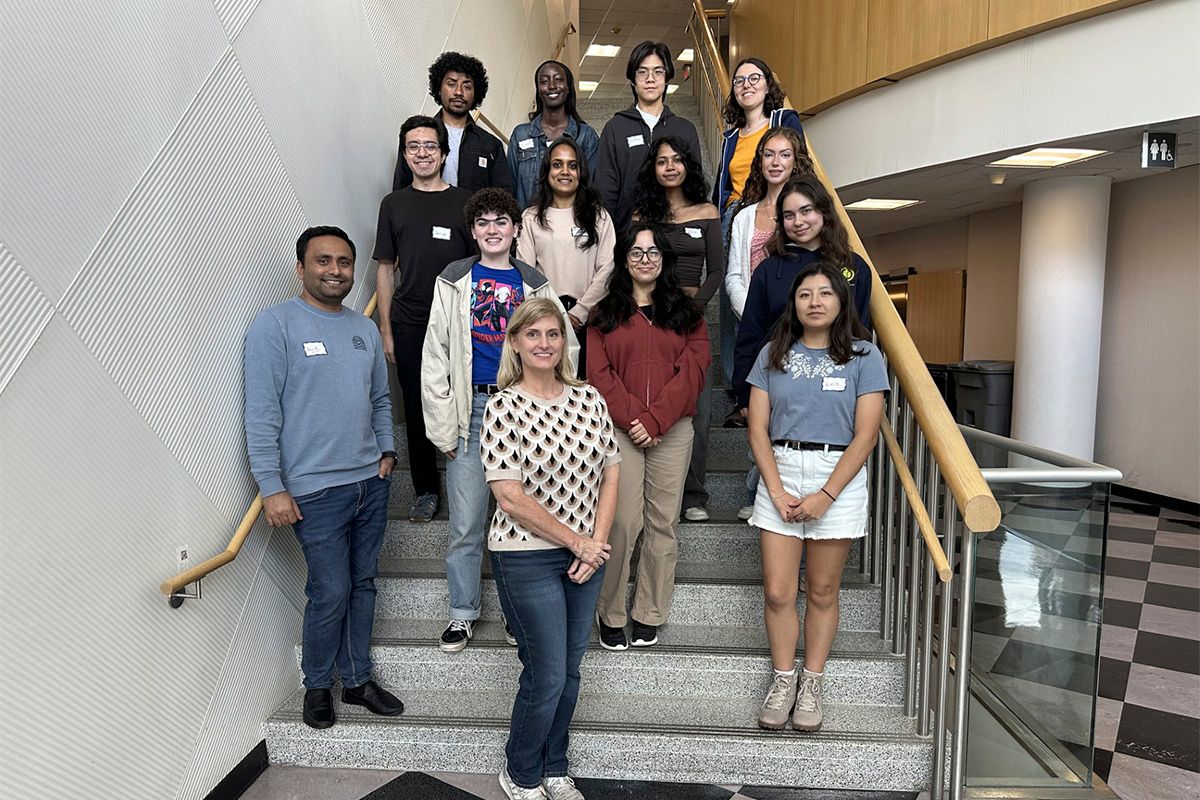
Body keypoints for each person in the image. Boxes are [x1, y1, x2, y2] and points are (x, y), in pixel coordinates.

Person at [244, 226, 404, 729]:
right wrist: (271, 486)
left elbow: (381, 399)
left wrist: (387, 451)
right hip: (314, 491)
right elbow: (262, 413)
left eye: (343, 262)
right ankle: (317, 684)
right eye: (323, 261)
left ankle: (356, 680)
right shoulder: (276, 327)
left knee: (362, 584)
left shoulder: (362, 330)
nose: (334, 270)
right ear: (301, 268)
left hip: (369, 483)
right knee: (330, 590)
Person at [422, 188, 579, 654]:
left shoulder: (535, 283)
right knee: (467, 523)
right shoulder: (453, 279)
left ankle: (519, 615)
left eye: (501, 221)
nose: (493, 229)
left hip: (524, 412)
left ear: (515, 228)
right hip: (471, 413)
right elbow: (435, 355)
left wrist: (559, 407)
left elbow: (564, 346)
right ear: (474, 231)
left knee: (525, 522)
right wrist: (442, 427)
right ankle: (461, 614)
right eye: (483, 222)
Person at [482, 298, 620, 800]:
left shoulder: (589, 399)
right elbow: (509, 496)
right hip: (524, 556)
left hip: (586, 555)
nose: (544, 344)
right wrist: (577, 542)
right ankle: (520, 772)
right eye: (533, 334)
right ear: (516, 342)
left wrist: (595, 545)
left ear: (565, 341)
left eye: (553, 334)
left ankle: (555, 766)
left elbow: (611, 472)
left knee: (570, 671)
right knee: (547, 673)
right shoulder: (502, 406)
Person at [746, 263, 887, 732]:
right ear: (795, 304)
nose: (815, 301)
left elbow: (866, 436)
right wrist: (776, 487)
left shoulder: (865, 356)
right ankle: (783, 680)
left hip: (838, 474)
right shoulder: (772, 353)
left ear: (841, 301)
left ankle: (812, 683)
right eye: (805, 294)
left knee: (823, 591)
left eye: (826, 293)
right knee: (778, 590)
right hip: (780, 470)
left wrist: (826, 494)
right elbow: (757, 429)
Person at [587, 223, 710, 651]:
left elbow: (693, 371)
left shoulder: (688, 315)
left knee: (662, 523)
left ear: (664, 260)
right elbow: (598, 376)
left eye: (653, 252)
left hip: (672, 431)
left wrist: (656, 419)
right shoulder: (603, 315)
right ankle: (612, 612)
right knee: (621, 522)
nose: (645, 258)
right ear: (624, 259)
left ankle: (648, 612)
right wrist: (636, 418)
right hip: (619, 430)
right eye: (637, 252)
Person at [373, 115, 474, 523]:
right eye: (413, 146)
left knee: (466, 400)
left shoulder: (466, 201)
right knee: (416, 407)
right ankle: (426, 490)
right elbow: (384, 267)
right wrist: (385, 327)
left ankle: (471, 483)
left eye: (430, 145)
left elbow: (481, 260)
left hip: (461, 320)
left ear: (444, 153)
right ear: (404, 154)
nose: (422, 153)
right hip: (411, 320)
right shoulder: (393, 204)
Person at [632, 135, 722, 522]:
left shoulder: (707, 211)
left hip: (690, 319)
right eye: (662, 161)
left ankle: (694, 494)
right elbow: (633, 264)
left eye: (677, 159)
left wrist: (692, 310)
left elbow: (716, 272)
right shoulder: (642, 216)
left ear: (688, 165)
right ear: (653, 169)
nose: (670, 166)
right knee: (652, 401)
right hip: (649, 318)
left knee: (696, 411)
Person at [732, 175, 873, 418]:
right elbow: (750, 332)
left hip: (834, 390)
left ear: (823, 211)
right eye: (789, 215)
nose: (798, 222)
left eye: (806, 211)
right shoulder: (768, 269)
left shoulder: (855, 268)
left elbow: (858, 331)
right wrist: (744, 394)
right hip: (776, 385)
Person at [726, 127, 813, 518]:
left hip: (804, 331)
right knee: (757, 412)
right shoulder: (745, 216)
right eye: (768, 155)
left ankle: (781, 492)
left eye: (784, 155)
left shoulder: (806, 215)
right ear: (759, 162)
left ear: (796, 162)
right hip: (757, 326)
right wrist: (755, 313)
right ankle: (756, 492)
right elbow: (733, 276)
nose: (776, 162)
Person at [713, 59, 807, 394]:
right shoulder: (731, 137)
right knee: (731, 292)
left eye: (755, 78)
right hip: (736, 215)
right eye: (739, 80)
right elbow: (723, 186)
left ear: (768, 85)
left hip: (778, 207)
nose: (746, 85)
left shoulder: (783, 120)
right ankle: (736, 383)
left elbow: (801, 167)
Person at [516, 135, 615, 376]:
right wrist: (552, 318)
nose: (565, 171)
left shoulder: (599, 216)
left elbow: (608, 269)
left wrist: (578, 314)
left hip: (590, 319)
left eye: (572, 165)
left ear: (581, 172)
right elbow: (524, 271)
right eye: (557, 164)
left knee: (584, 389)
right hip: (543, 321)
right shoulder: (530, 217)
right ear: (547, 171)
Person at [594, 41, 703, 232]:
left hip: (675, 237)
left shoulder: (685, 129)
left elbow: (694, 187)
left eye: (658, 72)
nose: (650, 79)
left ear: (667, 77)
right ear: (633, 79)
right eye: (642, 72)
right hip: (627, 237)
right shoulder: (615, 128)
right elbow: (605, 190)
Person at [393, 52, 513, 193]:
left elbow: (504, 197)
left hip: (473, 215)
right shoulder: (416, 138)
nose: (458, 92)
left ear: (475, 94)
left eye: (467, 86)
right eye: (451, 84)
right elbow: (401, 189)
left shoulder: (490, 145)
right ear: (439, 88)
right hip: (425, 213)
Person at [507, 60, 600, 209]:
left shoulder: (586, 135)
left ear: (568, 87)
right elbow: (509, 188)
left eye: (558, 79)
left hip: (573, 225)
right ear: (538, 89)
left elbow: (592, 188)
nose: (551, 86)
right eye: (544, 81)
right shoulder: (521, 135)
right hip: (527, 227)